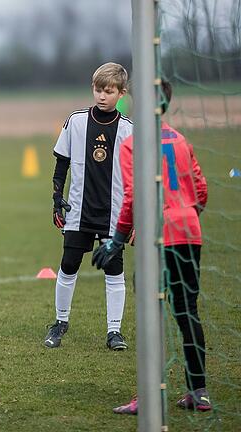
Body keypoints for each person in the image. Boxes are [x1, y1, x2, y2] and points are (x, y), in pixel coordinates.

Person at [92, 81, 211, 414]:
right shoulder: (182, 140)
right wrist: (184, 213)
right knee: (187, 311)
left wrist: (117, 238)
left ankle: (147, 396)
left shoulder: (133, 145)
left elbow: (132, 197)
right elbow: (201, 190)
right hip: (189, 230)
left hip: (157, 235)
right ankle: (198, 392)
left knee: (149, 313)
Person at [43, 62, 134, 350]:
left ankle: (114, 331)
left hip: (113, 214)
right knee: (68, 265)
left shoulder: (129, 130)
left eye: (109, 91)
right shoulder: (77, 121)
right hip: (78, 211)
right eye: (98, 89)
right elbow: (62, 164)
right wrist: (57, 199)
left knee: (114, 270)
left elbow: (137, 177)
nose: (102, 96)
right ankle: (60, 322)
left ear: (121, 93)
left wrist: (135, 219)